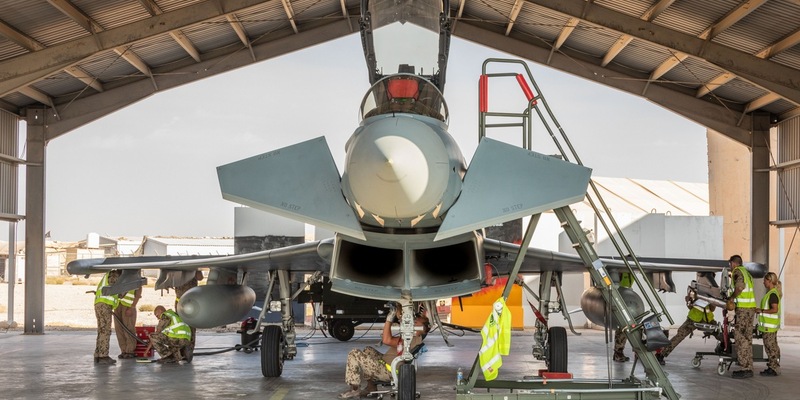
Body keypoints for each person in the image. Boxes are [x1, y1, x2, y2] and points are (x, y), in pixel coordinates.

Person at [338, 306, 430, 399]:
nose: (412, 323)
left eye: (415, 322)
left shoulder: (410, 339)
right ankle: (371, 388)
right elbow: (400, 318)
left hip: (388, 371)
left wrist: (389, 319)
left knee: (355, 353)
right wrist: (397, 306)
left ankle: (354, 389)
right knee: (368, 350)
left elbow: (387, 340)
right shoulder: (412, 336)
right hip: (387, 365)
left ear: (423, 329)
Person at [656, 295, 717, 365]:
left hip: (707, 320)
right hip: (693, 319)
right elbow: (690, 306)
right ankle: (661, 354)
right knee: (679, 336)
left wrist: (712, 301)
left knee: (720, 332)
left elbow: (712, 309)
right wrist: (689, 301)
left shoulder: (711, 292)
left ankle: (724, 347)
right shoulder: (696, 291)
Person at [726, 254, 757, 379]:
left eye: (730, 264)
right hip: (750, 308)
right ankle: (748, 366)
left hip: (743, 310)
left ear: (733, 263)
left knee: (739, 337)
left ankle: (745, 368)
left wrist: (732, 297)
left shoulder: (738, 271)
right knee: (748, 338)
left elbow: (739, 287)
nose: (730, 267)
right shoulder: (747, 273)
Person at [756, 271, 782, 376]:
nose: (763, 282)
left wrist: (761, 311)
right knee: (773, 347)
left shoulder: (772, 295)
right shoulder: (772, 293)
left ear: (769, 281)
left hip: (769, 327)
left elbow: (774, 309)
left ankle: (773, 368)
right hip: (769, 327)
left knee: (770, 347)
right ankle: (774, 366)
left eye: (765, 280)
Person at [93, 270, 120, 364]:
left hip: (99, 304)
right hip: (105, 304)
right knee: (105, 330)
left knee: (101, 330)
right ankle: (103, 356)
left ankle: (98, 354)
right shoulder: (114, 275)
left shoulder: (107, 275)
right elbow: (113, 288)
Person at [173, 270, 204, 347]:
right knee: (179, 325)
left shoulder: (192, 268)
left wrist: (196, 269)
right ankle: (181, 348)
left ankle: (189, 348)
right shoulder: (176, 268)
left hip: (191, 302)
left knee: (191, 325)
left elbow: (200, 277)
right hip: (179, 302)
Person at [114, 287, 141, 359]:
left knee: (128, 328)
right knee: (118, 329)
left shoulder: (134, 277)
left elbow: (138, 294)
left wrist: (132, 307)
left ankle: (130, 351)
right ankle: (123, 350)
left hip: (128, 306)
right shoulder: (119, 277)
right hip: (117, 305)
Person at [613, 271, 634, 362]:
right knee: (622, 329)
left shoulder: (630, 271)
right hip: (620, 298)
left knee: (624, 329)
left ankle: (618, 353)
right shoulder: (621, 271)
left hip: (626, 297)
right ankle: (618, 353)